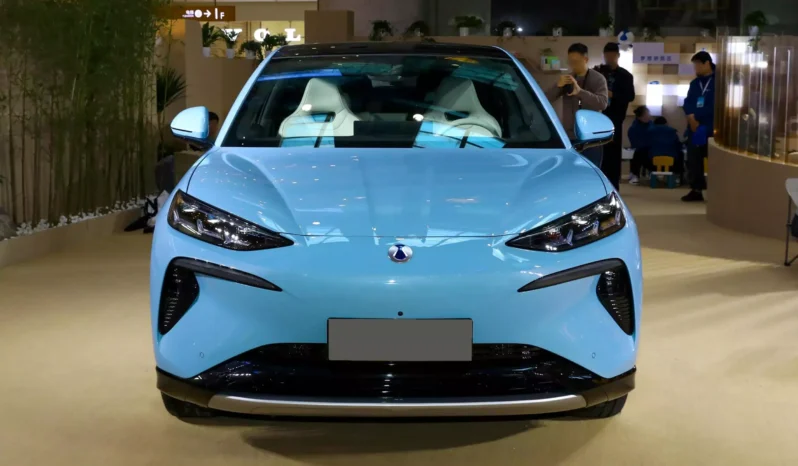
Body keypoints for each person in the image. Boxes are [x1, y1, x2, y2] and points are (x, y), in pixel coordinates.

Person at [546, 43, 609, 167]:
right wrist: (557, 86)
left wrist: (580, 92)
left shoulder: (598, 79)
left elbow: (603, 103)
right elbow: (546, 99)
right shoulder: (567, 80)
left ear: (586, 59)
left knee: (591, 170)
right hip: (569, 136)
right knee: (570, 171)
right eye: (570, 62)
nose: (573, 65)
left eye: (576, 62)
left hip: (591, 138)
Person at [594, 42, 635, 190]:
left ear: (618, 56)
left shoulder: (625, 76)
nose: (609, 59)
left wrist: (613, 95)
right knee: (597, 151)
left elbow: (630, 96)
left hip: (615, 119)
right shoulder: (597, 73)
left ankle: (613, 186)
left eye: (612, 56)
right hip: (596, 118)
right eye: (607, 56)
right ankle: (599, 185)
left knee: (613, 153)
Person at [681, 51, 715, 202]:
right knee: (694, 159)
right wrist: (690, 117)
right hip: (695, 127)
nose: (695, 68)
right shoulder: (695, 83)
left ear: (707, 63)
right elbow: (688, 102)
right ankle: (696, 189)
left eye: (697, 65)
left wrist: (697, 117)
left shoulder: (719, 81)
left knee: (714, 159)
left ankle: (717, 190)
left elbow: (716, 105)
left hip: (711, 126)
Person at [627, 105, 652, 185]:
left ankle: (635, 173)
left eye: (648, 114)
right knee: (638, 154)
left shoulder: (652, 125)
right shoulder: (634, 128)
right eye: (646, 114)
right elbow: (635, 143)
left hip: (652, 149)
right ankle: (635, 174)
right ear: (640, 117)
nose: (648, 116)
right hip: (641, 150)